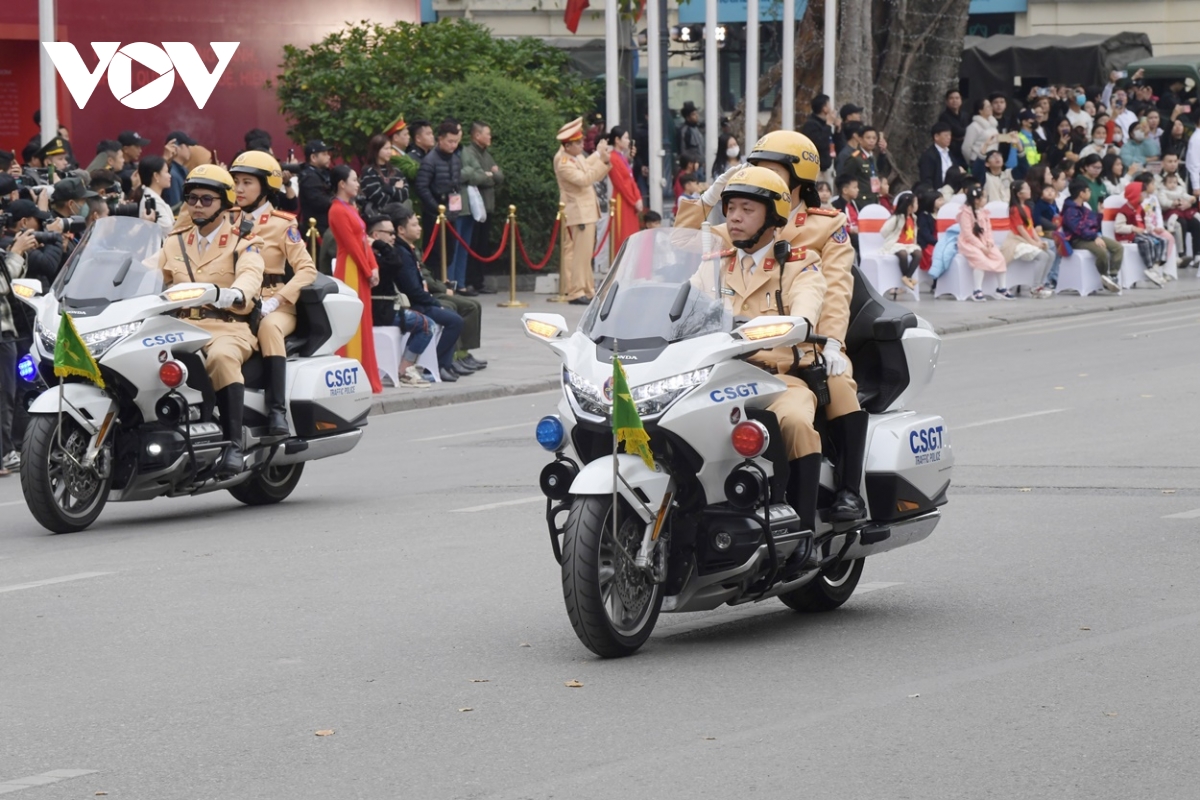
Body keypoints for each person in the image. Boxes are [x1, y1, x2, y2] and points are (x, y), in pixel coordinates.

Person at [689, 131, 866, 523]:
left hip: (804, 346)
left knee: (836, 386)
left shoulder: (825, 226)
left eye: (768, 169)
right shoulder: (729, 237)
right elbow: (680, 240)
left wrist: (832, 342)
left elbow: (834, 290)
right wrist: (711, 196)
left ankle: (850, 490)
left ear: (797, 176)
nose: (756, 176)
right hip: (729, 359)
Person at [158, 166, 265, 475]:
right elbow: (149, 273)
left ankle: (233, 443)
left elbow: (250, 274)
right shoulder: (174, 243)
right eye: (191, 198)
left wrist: (233, 294)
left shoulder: (243, 240)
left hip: (226, 326)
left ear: (224, 203)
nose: (197, 206)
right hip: (178, 327)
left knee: (220, 357)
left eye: (207, 199)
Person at [228, 150, 319, 434]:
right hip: (236, 300)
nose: (239, 189)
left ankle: (277, 410)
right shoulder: (225, 219)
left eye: (247, 182)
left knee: (268, 328)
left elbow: (307, 270)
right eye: (236, 182)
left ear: (266, 187)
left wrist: (277, 300)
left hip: (275, 304)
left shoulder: (282, 223)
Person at [376, 206, 468, 382]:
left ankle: (445, 364)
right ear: (401, 229)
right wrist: (433, 302)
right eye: (414, 225)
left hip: (418, 300)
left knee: (453, 314)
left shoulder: (407, 249)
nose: (419, 228)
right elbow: (412, 290)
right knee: (454, 320)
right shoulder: (401, 253)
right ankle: (438, 365)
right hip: (412, 304)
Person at [328, 164, 383, 393]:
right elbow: (351, 246)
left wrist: (374, 266)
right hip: (350, 268)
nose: (357, 184)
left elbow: (363, 240)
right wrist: (368, 269)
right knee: (354, 323)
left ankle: (367, 375)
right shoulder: (337, 211)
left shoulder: (350, 207)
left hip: (360, 265)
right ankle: (356, 373)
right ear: (342, 184)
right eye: (354, 180)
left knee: (364, 322)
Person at [366, 215, 434, 388]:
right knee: (426, 325)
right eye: (389, 233)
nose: (393, 236)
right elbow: (396, 262)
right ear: (375, 235)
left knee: (426, 321)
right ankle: (405, 370)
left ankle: (407, 367)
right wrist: (378, 245)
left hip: (386, 307)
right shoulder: (373, 257)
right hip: (381, 311)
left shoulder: (379, 254)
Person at [554, 117, 611, 305]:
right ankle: (576, 290)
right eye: (577, 143)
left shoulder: (575, 156)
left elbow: (587, 166)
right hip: (577, 211)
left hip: (585, 210)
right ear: (568, 145)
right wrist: (601, 161)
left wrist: (599, 155)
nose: (581, 145)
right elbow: (585, 179)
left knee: (585, 254)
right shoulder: (563, 162)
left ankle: (586, 288)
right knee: (579, 254)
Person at [415, 120, 465, 288]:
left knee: (449, 252)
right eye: (450, 141)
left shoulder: (456, 160)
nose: (453, 145)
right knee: (434, 255)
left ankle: (446, 283)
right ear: (440, 139)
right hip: (434, 216)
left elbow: (457, 188)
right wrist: (437, 209)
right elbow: (422, 187)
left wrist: (454, 211)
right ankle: (436, 285)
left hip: (450, 215)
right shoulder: (430, 161)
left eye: (456, 142)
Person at [460, 121, 504, 295]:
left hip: (487, 207)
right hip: (475, 207)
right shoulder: (469, 153)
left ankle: (479, 281)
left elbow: (499, 176)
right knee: (473, 245)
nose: (490, 137)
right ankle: (469, 281)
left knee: (482, 247)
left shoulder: (486, 154)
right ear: (477, 135)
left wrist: (491, 174)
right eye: (487, 133)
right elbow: (474, 178)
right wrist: (490, 175)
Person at [1062, 177, 1122, 293]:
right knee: (1101, 251)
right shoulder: (1070, 210)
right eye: (1088, 191)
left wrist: (1099, 215)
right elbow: (1079, 229)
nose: (1090, 193)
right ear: (1081, 193)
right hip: (1076, 240)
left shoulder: (1085, 208)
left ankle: (1113, 275)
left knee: (1118, 247)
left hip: (1090, 236)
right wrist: (1095, 237)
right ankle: (1105, 276)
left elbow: (1094, 226)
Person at [957, 186, 1012, 301]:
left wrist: (989, 243)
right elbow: (968, 235)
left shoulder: (984, 212)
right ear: (977, 200)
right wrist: (981, 247)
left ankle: (1002, 288)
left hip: (984, 242)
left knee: (1000, 257)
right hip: (969, 243)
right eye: (984, 197)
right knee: (979, 259)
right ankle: (977, 290)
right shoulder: (965, 213)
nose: (986, 200)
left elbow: (988, 230)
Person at [1001, 180, 1055, 293]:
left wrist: (1039, 241)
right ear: (1019, 194)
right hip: (1017, 241)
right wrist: (1034, 244)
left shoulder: (1026, 208)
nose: (1029, 190)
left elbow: (1030, 228)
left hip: (1026, 240)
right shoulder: (1015, 210)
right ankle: (1035, 287)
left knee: (1051, 254)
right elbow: (1021, 230)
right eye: (1026, 188)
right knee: (1043, 256)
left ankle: (1041, 283)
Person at [1113, 182, 1168, 286]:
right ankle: (1149, 267)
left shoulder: (1140, 208)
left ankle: (1156, 266)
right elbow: (1118, 227)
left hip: (1143, 233)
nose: (1145, 196)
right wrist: (1133, 228)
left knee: (1163, 240)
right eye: (1143, 194)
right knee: (1147, 242)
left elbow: (1144, 222)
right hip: (1130, 236)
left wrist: (1149, 224)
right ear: (1135, 195)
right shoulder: (1124, 211)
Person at [605, 126, 642, 256]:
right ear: (617, 140)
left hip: (630, 200)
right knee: (623, 234)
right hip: (622, 200)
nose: (628, 141)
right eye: (625, 138)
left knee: (631, 233)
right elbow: (621, 184)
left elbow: (631, 180)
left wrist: (638, 198)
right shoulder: (613, 158)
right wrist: (634, 201)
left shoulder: (622, 157)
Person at [879, 192, 921, 292]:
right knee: (903, 254)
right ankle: (908, 278)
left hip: (910, 245)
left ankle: (907, 277)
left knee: (918, 254)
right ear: (909, 206)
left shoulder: (913, 218)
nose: (917, 206)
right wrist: (891, 238)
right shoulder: (897, 218)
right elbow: (884, 231)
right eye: (915, 203)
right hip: (896, 244)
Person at [360, 134, 409, 216]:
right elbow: (376, 197)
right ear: (376, 150)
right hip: (378, 216)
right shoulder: (369, 172)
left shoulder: (396, 171)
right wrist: (396, 190)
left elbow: (405, 194)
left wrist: (387, 189)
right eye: (386, 149)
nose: (389, 152)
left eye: (390, 148)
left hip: (399, 216)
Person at [838, 126, 889, 205]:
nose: (871, 141)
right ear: (860, 140)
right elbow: (845, 178)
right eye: (868, 138)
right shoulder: (855, 158)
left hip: (873, 198)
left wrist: (882, 153)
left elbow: (878, 170)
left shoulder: (872, 157)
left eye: (874, 138)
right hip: (860, 201)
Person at [133, 155, 174, 234]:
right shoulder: (153, 202)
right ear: (156, 176)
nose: (170, 175)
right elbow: (169, 231)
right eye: (166, 172)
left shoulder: (151, 196)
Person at [918, 121, 966, 189]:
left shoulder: (949, 152)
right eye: (946, 135)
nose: (949, 138)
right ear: (936, 137)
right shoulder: (928, 156)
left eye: (950, 135)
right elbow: (926, 179)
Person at [961, 98, 999, 179]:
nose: (991, 108)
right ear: (980, 111)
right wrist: (972, 161)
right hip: (979, 161)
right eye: (988, 107)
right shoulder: (973, 126)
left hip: (993, 162)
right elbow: (966, 148)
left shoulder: (993, 125)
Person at [799, 94, 836, 175]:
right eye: (829, 105)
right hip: (816, 170)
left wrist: (839, 130)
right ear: (824, 108)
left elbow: (834, 143)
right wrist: (828, 125)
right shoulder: (811, 125)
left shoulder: (824, 124)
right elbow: (821, 143)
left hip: (827, 167)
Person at [161, 131, 197, 207]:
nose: (189, 149)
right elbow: (175, 208)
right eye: (187, 146)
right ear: (176, 147)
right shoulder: (172, 175)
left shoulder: (183, 170)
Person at [831, 173, 861, 260]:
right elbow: (835, 224)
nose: (858, 190)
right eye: (855, 187)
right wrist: (850, 230)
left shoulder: (855, 204)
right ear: (845, 190)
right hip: (845, 236)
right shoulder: (835, 205)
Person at [939, 89, 971, 156]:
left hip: (966, 150)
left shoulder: (965, 115)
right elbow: (958, 132)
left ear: (961, 100)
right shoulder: (944, 117)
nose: (954, 101)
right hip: (952, 151)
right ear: (946, 102)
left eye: (957, 98)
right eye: (951, 98)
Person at [916, 190, 941, 272]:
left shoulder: (943, 214)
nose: (943, 202)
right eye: (940, 200)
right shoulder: (924, 216)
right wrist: (938, 242)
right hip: (930, 243)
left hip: (942, 241)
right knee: (937, 254)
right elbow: (925, 234)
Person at [677, 101, 704, 178]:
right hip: (691, 167)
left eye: (696, 113)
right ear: (688, 117)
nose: (696, 116)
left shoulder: (697, 128)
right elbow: (683, 150)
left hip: (700, 166)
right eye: (693, 114)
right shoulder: (684, 131)